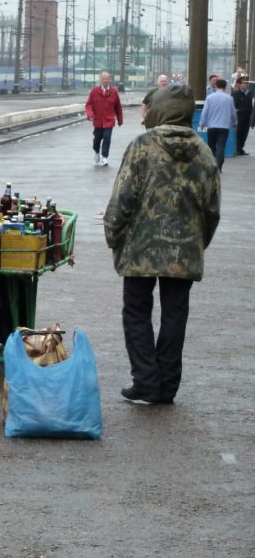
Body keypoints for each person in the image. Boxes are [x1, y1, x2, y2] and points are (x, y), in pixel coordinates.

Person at [103, 84, 220, 405]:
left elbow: (122, 200)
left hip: (141, 248)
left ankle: (145, 380)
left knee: (136, 312)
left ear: (160, 108)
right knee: (175, 314)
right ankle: (167, 386)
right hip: (185, 250)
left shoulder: (143, 146)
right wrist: (197, 244)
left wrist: (113, 236)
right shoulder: (204, 150)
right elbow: (212, 210)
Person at [84, 71, 124, 167]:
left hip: (109, 120)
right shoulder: (94, 91)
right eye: (103, 79)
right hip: (98, 120)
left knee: (107, 138)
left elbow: (118, 107)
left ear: (110, 80)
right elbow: (89, 105)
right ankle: (97, 151)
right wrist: (90, 114)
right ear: (100, 80)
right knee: (97, 139)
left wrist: (120, 120)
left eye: (107, 79)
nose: (105, 80)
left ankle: (105, 157)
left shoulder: (114, 92)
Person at [198, 78, 237, 171]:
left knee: (211, 146)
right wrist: (235, 123)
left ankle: (211, 165)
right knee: (221, 146)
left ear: (215, 86)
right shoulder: (229, 98)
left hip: (211, 126)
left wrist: (202, 123)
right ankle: (219, 164)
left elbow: (205, 112)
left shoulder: (210, 97)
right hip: (224, 127)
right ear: (225, 87)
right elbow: (233, 113)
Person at [231, 74, 253, 155]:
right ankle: (237, 148)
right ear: (240, 84)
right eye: (244, 83)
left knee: (245, 133)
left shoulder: (250, 93)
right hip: (239, 116)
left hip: (247, 116)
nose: (246, 85)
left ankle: (241, 148)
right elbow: (233, 105)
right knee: (238, 133)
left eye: (247, 83)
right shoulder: (236, 93)